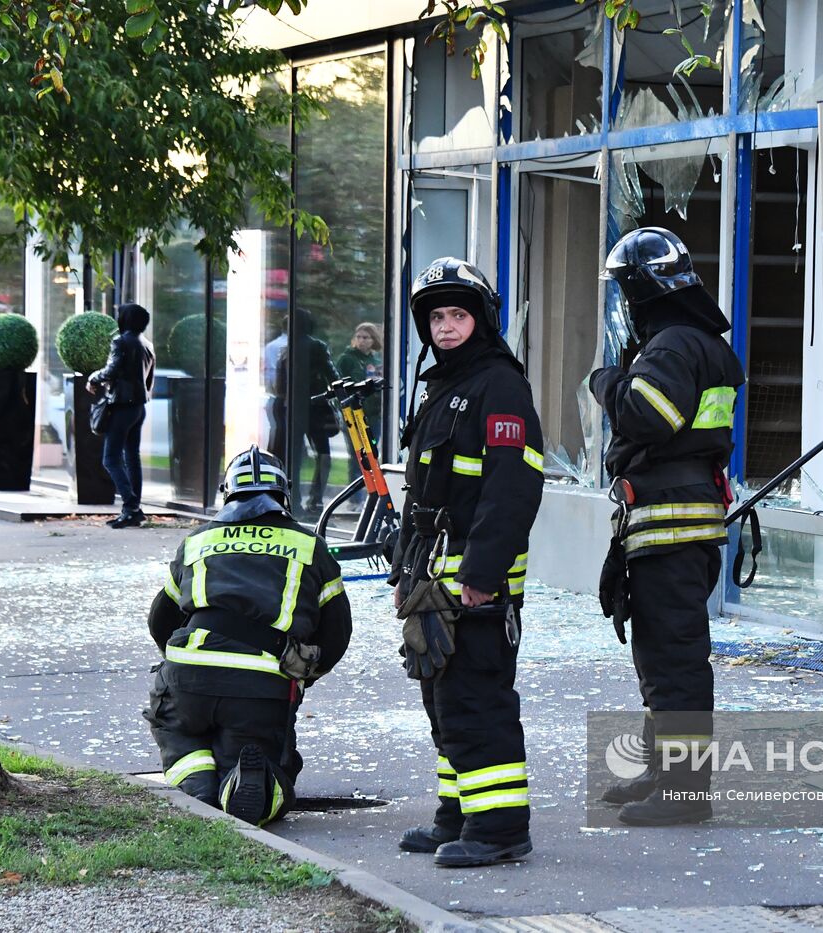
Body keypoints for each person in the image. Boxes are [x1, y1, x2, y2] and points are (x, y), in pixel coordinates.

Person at [387, 257, 544, 868]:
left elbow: (512, 489)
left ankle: (500, 830)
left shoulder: (499, 386)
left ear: (481, 320)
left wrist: (481, 576)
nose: (446, 327)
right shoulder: (444, 389)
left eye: (458, 315)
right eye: (436, 317)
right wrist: (404, 574)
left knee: (478, 699)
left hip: (475, 584)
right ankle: (459, 814)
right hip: (431, 577)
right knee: (443, 701)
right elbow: (420, 497)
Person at [589, 227, 745, 827]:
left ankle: (685, 790)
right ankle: (664, 769)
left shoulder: (674, 345)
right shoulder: (694, 340)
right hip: (676, 524)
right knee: (660, 655)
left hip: (670, 526)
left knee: (675, 661)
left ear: (640, 290)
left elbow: (648, 416)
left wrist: (607, 381)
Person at [144, 446, 351, 826]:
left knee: (176, 728)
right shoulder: (310, 546)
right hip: (261, 686)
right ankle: (248, 785)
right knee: (263, 765)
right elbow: (336, 634)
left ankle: (198, 791)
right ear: (284, 493)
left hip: (190, 674)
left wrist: (181, 669)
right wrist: (305, 673)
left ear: (228, 494)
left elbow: (161, 619)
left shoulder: (198, 541)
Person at [87, 302, 156, 529]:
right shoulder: (146, 344)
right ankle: (134, 509)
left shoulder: (121, 341)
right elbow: (148, 379)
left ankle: (131, 506)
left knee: (111, 458)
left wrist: (93, 378)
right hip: (138, 406)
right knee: (131, 457)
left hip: (121, 406)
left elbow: (112, 369)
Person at [272, 308, 339, 516]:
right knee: (324, 454)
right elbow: (332, 374)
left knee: (294, 457)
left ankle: (294, 500)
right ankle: (315, 500)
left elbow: (279, 385)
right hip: (316, 408)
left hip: (291, 408)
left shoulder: (286, 350)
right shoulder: (316, 346)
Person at [336, 322, 385, 480]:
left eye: (366, 337)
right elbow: (337, 385)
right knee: (358, 456)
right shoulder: (347, 359)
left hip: (374, 414)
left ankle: (369, 493)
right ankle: (355, 500)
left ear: (373, 340)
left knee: (372, 454)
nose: (362, 340)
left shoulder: (376, 359)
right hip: (354, 414)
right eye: (359, 337)